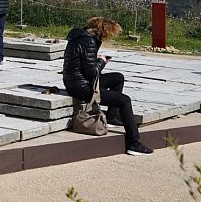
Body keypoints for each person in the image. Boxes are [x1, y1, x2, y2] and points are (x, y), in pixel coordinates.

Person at [62, 16, 153, 156]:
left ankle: (112, 117)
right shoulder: (89, 41)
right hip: (82, 87)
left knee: (118, 78)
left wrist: (97, 59)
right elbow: (92, 72)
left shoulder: (79, 36)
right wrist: (101, 61)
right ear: (103, 31)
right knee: (125, 100)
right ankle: (134, 143)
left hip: (74, 82)